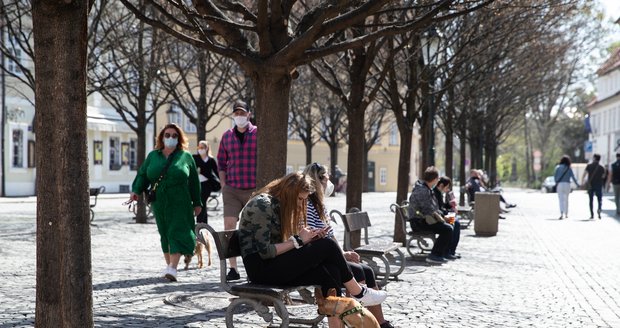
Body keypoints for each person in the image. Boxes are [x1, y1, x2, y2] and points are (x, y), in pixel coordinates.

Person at [238, 172, 387, 328]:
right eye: (300, 199)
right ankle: (358, 292)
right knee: (328, 245)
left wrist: (310, 238)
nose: (301, 204)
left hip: (276, 264)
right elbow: (265, 252)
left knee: (331, 270)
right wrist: (299, 240)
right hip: (262, 270)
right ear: (288, 192)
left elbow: (285, 243)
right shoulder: (262, 205)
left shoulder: (279, 204)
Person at [303, 163, 394, 328]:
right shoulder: (308, 204)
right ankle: (359, 317)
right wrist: (339, 254)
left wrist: (343, 253)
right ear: (319, 180)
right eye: (327, 179)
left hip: (330, 253)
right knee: (358, 270)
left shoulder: (320, 205)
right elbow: (311, 235)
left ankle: (381, 323)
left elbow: (330, 236)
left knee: (367, 270)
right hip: (318, 256)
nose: (329, 184)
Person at [130, 123, 202, 282]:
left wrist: (197, 203)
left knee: (176, 231)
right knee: (164, 233)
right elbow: (143, 175)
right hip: (159, 201)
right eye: (167, 135)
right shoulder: (153, 156)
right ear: (162, 138)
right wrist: (136, 190)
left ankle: (173, 268)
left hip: (180, 200)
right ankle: (170, 266)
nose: (170, 138)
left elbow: (194, 183)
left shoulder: (185, 156)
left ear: (179, 139)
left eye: (174, 136)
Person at [217, 99, 257, 281]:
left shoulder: (258, 134)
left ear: (249, 114)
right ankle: (232, 268)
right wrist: (223, 184)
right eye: (236, 113)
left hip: (252, 189)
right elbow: (221, 162)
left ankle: (254, 267)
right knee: (229, 227)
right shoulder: (226, 136)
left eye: (242, 113)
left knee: (252, 229)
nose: (239, 116)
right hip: (232, 189)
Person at [408, 166, 456, 264]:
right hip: (419, 223)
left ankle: (447, 252)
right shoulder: (423, 190)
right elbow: (429, 210)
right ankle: (435, 255)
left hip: (426, 220)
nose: (438, 180)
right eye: (437, 178)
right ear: (434, 179)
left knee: (453, 222)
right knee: (448, 228)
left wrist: (444, 215)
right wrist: (443, 217)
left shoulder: (426, 188)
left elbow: (434, 208)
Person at [433, 176, 461, 259]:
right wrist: (447, 214)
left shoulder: (439, 193)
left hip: (441, 216)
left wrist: (449, 205)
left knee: (456, 222)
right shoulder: (435, 193)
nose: (448, 189)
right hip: (438, 218)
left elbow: (441, 206)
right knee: (453, 223)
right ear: (441, 185)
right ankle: (447, 251)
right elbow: (437, 209)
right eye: (447, 187)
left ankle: (451, 251)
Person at [193, 140, 220, 224]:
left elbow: (217, 172)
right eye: (199, 147)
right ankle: (203, 223)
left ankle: (200, 222)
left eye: (202, 147)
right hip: (197, 184)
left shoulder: (211, 160)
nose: (200, 149)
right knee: (201, 203)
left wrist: (223, 181)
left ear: (206, 148)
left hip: (206, 184)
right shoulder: (195, 158)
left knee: (202, 202)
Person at [554, 155, 580, 220]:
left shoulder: (557, 167)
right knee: (566, 199)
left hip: (560, 184)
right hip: (567, 184)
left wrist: (556, 182)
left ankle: (561, 213)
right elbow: (573, 177)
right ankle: (566, 213)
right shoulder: (569, 168)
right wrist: (578, 184)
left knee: (561, 199)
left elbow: (555, 177)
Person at [582, 154, 606, 219]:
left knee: (591, 200)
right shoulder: (602, 167)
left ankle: (592, 214)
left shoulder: (589, 166)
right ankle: (599, 209)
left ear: (594, 158)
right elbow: (603, 176)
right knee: (599, 199)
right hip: (599, 184)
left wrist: (583, 182)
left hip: (591, 185)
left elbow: (584, 174)